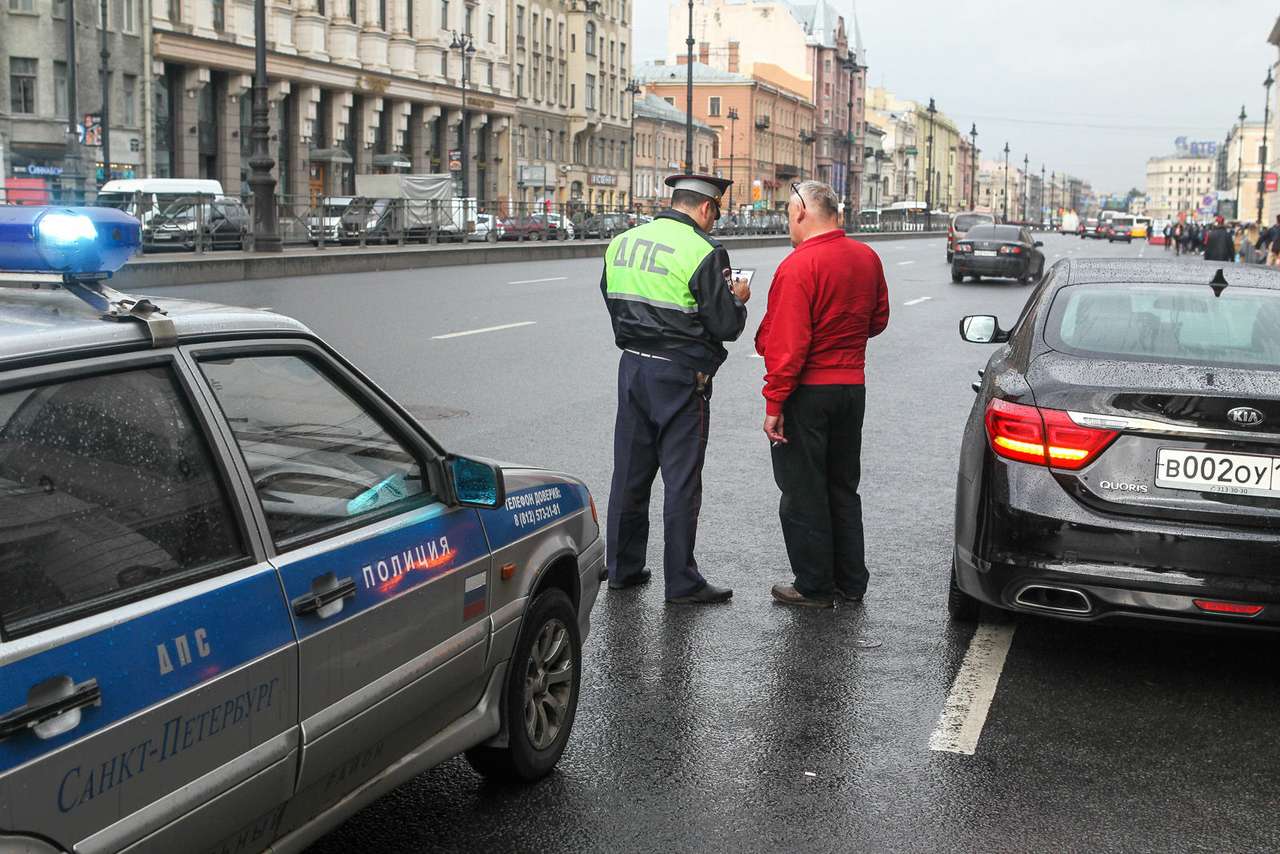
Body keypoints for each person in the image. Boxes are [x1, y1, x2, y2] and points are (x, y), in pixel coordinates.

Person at [600, 173, 750, 605]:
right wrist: (737, 297)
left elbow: (611, 297)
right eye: (716, 213)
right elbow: (725, 325)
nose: (715, 222)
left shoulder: (622, 243)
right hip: (682, 375)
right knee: (681, 480)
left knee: (629, 473)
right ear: (706, 208)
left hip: (632, 369)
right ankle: (682, 582)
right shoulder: (704, 251)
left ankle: (623, 569)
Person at [755, 181, 890, 609]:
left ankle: (813, 586)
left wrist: (775, 403)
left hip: (807, 392)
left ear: (800, 214)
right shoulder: (867, 257)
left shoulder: (798, 266)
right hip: (852, 389)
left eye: (787, 218)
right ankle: (851, 581)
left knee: (802, 490)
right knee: (843, 486)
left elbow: (788, 346)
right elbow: (878, 319)